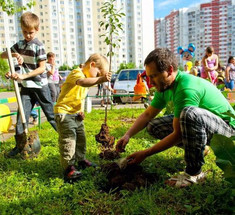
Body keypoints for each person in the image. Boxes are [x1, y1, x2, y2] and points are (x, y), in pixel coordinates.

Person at [116, 48, 235, 188]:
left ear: (169, 70)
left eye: (153, 76)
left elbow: (178, 134)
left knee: (188, 114)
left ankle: (194, 173)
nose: (150, 81)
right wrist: (127, 135)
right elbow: (147, 115)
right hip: (205, 126)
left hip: (228, 131)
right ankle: (199, 149)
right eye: (148, 76)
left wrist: (145, 153)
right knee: (154, 126)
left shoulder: (185, 88)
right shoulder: (164, 86)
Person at [1, 12, 57, 157]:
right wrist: (14, 55)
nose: (28, 35)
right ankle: (20, 147)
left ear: (36, 30)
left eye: (31, 32)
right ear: (21, 29)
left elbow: (42, 68)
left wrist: (23, 75)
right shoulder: (19, 45)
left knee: (51, 115)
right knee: (21, 118)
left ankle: (66, 138)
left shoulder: (39, 46)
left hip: (40, 86)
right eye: (25, 32)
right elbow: (2, 55)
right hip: (25, 87)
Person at [54, 53, 111, 183]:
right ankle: (69, 168)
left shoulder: (86, 76)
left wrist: (81, 110)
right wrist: (101, 80)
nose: (97, 78)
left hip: (75, 114)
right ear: (92, 65)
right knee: (69, 141)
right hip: (64, 113)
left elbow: (78, 96)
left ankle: (81, 160)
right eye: (97, 74)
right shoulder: (77, 73)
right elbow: (82, 83)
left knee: (81, 139)